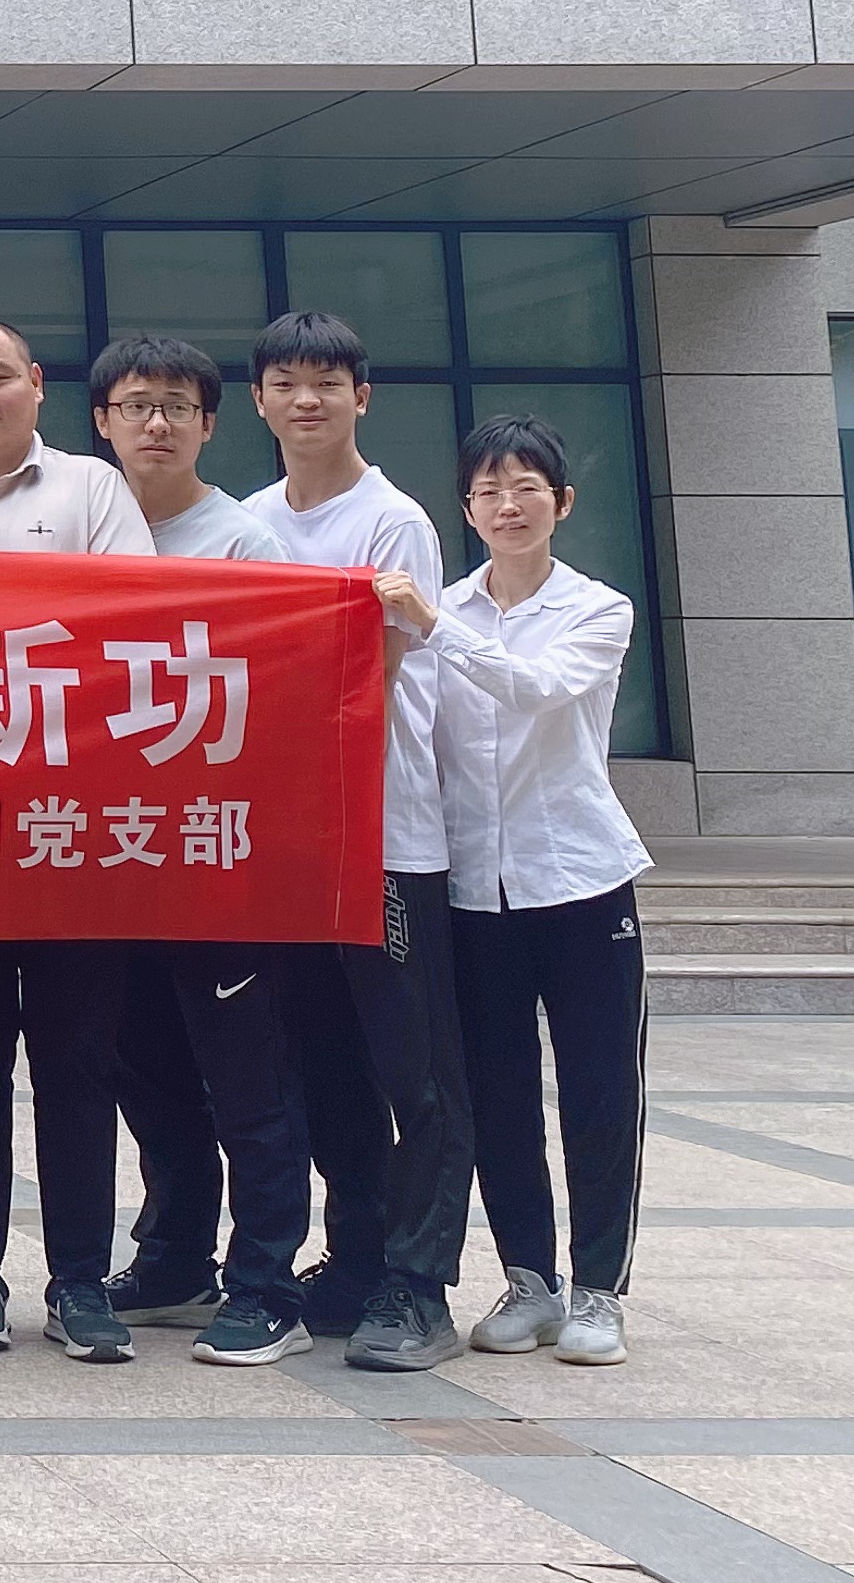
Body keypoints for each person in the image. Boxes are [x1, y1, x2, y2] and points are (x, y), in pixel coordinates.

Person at [387, 414, 649, 1368]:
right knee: (497, 1096)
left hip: (581, 883)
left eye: (526, 487)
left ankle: (599, 1290)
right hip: (474, 894)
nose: (508, 505)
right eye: (489, 490)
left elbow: (536, 688)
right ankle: (530, 1281)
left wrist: (432, 628)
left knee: (598, 1091)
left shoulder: (597, 609)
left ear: (561, 503)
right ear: (468, 509)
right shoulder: (444, 610)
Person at [0, 317, 154, 1362]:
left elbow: (132, 626)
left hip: (72, 831)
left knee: (78, 1064)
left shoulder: (92, 491)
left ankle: (79, 1280)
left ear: (37, 386)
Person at [243, 308, 472, 1373]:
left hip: (386, 838)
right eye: (287, 383)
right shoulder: (251, 524)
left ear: (361, 398)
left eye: (327, 383)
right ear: (258, 401)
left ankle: (420, 1286)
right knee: (324, 1062)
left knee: (414, 1070)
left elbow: (367, 675)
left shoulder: (394, 523)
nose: (307, 401)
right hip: (291, 843)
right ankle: (357, 1258)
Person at [87, 335, 317, 1368]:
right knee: (146, 1072)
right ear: (102, 422)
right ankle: (176, 1255)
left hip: (220, 858)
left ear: (210, 424)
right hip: (110, 853)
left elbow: (283, 702)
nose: (156, 424)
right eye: (136, 405)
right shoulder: (83, 534)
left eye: (177, 406)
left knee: (247, 1081)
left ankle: (266, 1281)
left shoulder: (245, 544)